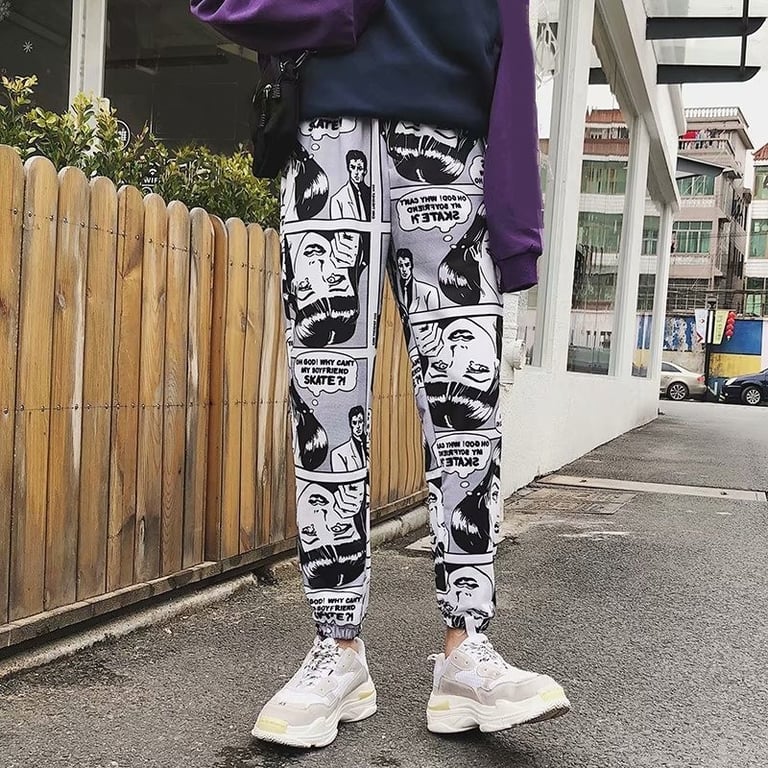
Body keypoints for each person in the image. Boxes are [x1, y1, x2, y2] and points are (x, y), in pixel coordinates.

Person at [192, 0, 570, 749]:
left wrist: (517, 222)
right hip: (327, 139)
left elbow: (511, 40)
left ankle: (467, 649)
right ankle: (336, 650)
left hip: (455, 147)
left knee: (467, 407)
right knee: (326, 401)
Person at [331, 149, 373, 220]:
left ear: (365, 171)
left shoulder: (372, 195)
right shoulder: (337, 199)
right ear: (348, 168)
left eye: (359, 168)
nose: (356, 172)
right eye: (353, 167)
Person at [331, 406, 368, 472]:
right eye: (354, 423)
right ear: (350, 424)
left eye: (360, 421)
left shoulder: (368, 446)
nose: (358, 426)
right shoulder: (338, 454)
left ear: (363, 423)